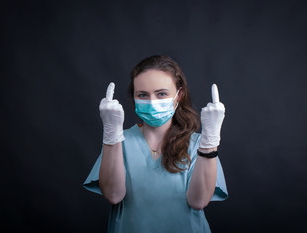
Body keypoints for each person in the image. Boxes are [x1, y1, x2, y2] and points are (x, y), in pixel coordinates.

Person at [83, 55, 228, 232]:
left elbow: (198, 202)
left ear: (179, 95)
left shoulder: (199, 144)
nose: (152, 102)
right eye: (143, 95)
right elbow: (113, 196)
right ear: (134, 97)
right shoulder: (120, 142)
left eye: (161, 94)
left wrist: (210, 139)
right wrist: (111, 133)